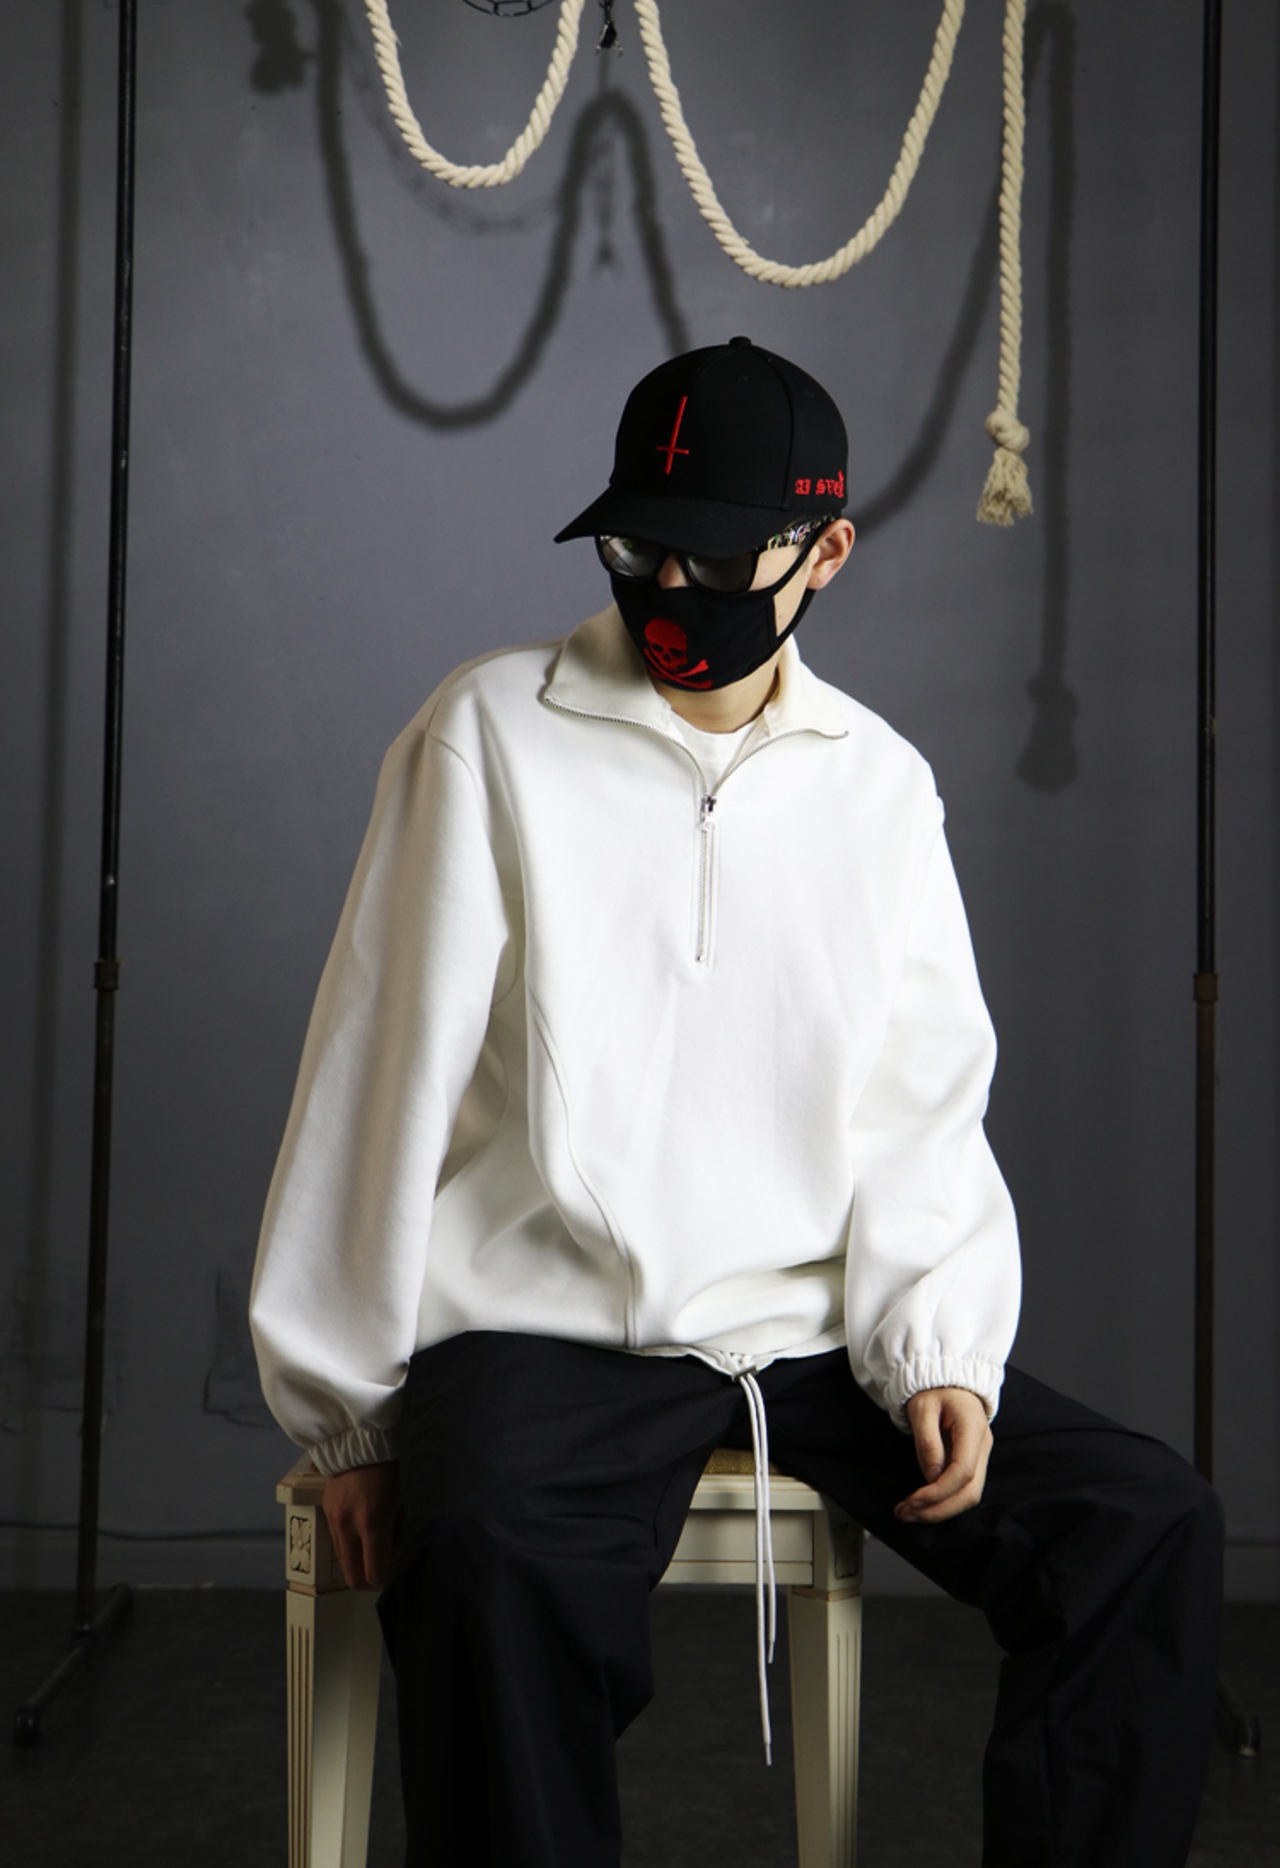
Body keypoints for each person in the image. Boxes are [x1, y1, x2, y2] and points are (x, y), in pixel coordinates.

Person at [250, 337, 1224, 1867]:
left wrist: (939, 1347)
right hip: (546, 1327)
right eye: (636, 549)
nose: (666, 589)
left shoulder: (876, 785)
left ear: (826, 552)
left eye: (713, 559)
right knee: (488, 1562)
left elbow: (919, 1096)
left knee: (1143, 1524)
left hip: (814, 1332)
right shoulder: (490, 730)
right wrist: (349, 1419)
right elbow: (378, 1069)